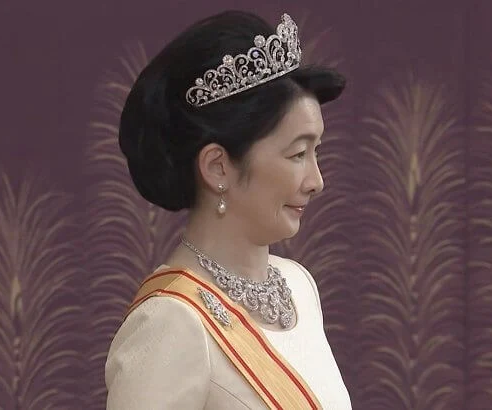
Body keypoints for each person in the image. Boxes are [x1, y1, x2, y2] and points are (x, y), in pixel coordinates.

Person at [105, 9, 352, 409]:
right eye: (297, 154)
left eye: (316, 151)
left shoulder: (299, 286)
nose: (316, 180)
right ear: (218, 166)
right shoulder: (171, 321)